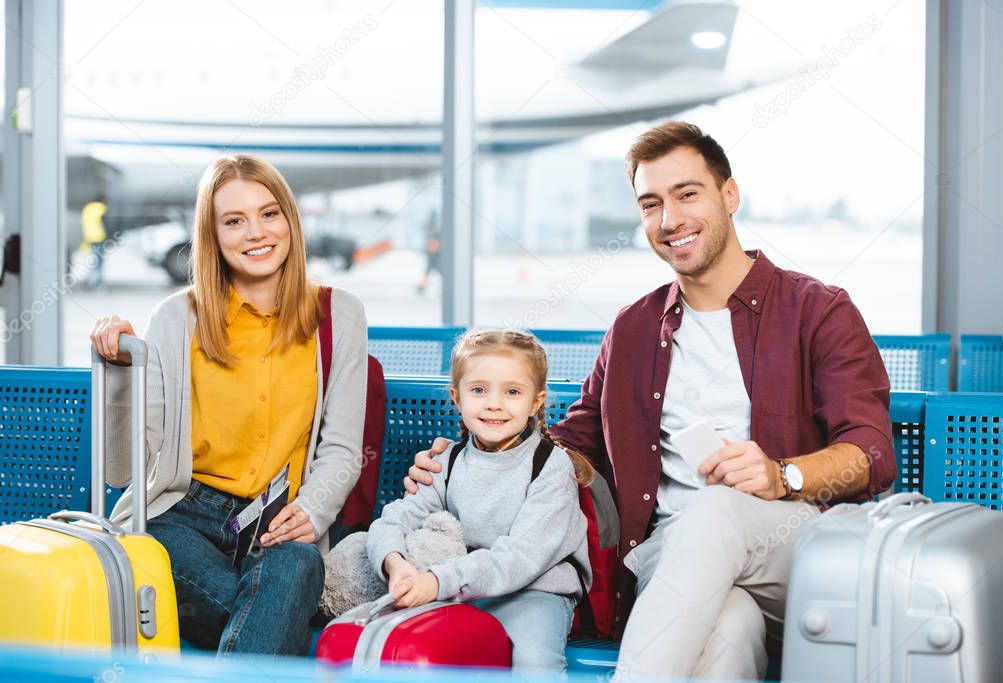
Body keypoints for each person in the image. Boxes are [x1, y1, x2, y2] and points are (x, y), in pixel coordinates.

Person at [404, 122, 895, 679]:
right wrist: (472, 458)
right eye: (650, 204)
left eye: (687, 194)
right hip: (670, 567)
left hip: (793, 557)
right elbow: (570, 443)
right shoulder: (635, 327)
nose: (669, 220)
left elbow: (872, 452)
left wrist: (783, 475)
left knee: (714, 509)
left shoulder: (817, 311)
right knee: (728, 630)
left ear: (729, 195)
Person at [90, 155, 368, 656]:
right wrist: (120, 374)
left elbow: (343, 447)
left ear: (290, 219)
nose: (256, 233)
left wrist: (312, 509)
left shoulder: (339, 315)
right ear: (212, 235)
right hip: (181, 512)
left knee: (299, 566)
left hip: (279, 518)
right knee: (271, 607)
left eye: (269, 213)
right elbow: (119, 469)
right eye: (234, 221)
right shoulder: (177, 317)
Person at [368, 329, 593, 671]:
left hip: (534, 592)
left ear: (536, 401)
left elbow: (518, 559)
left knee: (535, 663)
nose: (494, 403)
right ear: (457, 398)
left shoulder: (551, 467)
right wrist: (395, 564)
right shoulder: (445, 461)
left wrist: (436, 581)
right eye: (478, 390)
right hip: (459, 586)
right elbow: (394, 520)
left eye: (513, 392)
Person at [81, 196, 108, 290]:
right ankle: (98, 284)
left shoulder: (87, 208)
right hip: (100, 237)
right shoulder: (101, 208)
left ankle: (89, 280)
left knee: (93, 260)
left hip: (89, 238)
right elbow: (106, 223)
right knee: (99, 262)